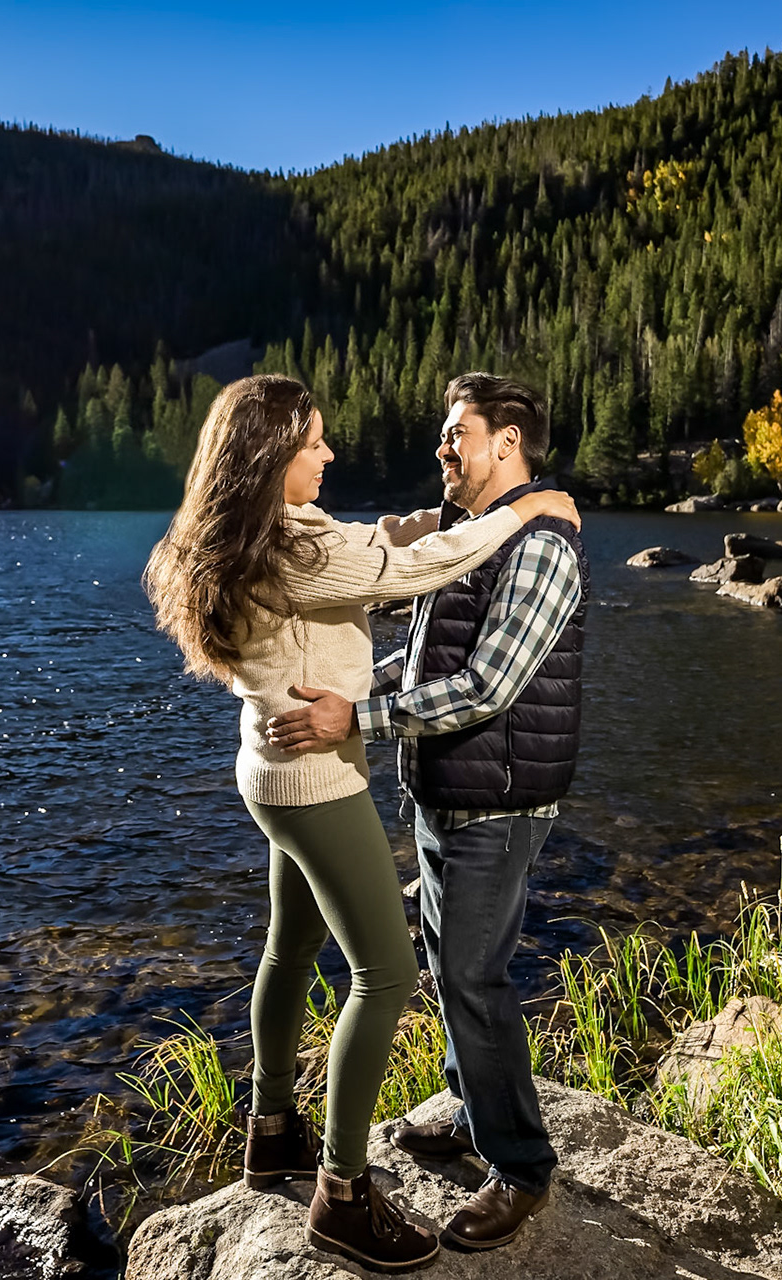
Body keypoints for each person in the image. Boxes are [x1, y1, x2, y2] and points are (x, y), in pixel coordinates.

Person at [143, 373, 579, 1274]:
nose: (331, 453)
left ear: (505, 442)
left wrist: (486, 527)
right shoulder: (302, 547)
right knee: (388, 974)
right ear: (270, 457)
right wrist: (535, 511)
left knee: (310, 952)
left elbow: (401, 584)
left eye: (457, 433)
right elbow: (399, 576)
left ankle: (282, 1133)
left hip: (312, 775)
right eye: (313, 442)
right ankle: (341, 1194)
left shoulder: (270, 530)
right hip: (319, 777)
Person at [267, 372, 588, 1252]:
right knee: (447, 960)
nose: (443, 448)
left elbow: (486, 688)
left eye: (459, 432)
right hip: (446, 790)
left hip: (501, 797)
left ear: (507, 443)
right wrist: (343, 688)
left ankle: (520, 1166)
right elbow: (419, 658)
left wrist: (352, 718)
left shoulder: (541, 547)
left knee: (474, 978)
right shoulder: (467, 537)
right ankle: (467, 1106)